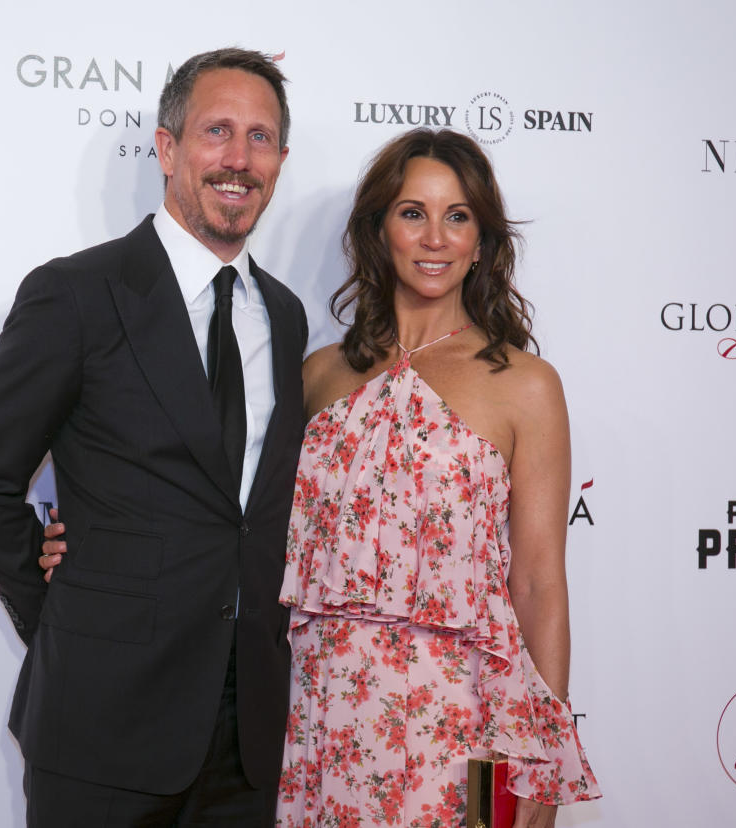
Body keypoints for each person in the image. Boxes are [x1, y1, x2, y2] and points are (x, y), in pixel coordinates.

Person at [0, 47, 307, 827]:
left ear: (278, 160)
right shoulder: (78, 293)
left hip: (250, 730)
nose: (239, 160)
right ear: (168, 148)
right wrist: (62, 602)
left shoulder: (284, 312)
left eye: (262, 138)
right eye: (217, 131)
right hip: (102, 716)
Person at [273, 129, 600, 827]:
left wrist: (542, 756)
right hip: (320, 712)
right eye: (412, 212)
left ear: (481, 242)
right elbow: (249, 529)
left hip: (457, 722)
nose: (435, 237)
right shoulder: (318, 374)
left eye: (458, 217)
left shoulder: (526, 385)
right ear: (378, 229)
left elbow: (540, 582)